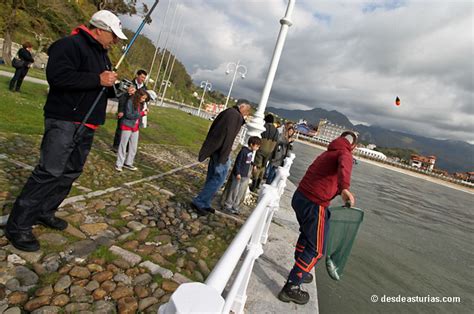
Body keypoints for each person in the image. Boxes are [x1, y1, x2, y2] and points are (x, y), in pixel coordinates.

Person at [5, 10, 127, 252]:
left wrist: (116, 88)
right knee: (49, 172)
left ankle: (45, 211)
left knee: (71, 171)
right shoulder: (69, 45)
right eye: (113, 36)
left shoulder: (102, 55)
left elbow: (101, 85)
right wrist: (98, 79)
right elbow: (58, 77)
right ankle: (17, 226)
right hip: (64, 120)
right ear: (100, 30)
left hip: (88, 123)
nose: (115, 41)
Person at [278, 131, 358, 305]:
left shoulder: (329, 152)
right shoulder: (345, 154)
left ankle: (301, 269)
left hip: (300, 197)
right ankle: (292, 286)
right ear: (353, 146)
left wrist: (339, 189)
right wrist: (345, 189)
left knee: (308, 235)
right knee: (317, 250)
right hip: (314, 204)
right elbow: (345, 165)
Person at [191, 99, 252, 216]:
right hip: (222, 152)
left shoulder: (228, 112)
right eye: (247, 111)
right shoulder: (235, 116)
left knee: (212, 176)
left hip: (215, 149)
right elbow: (229, 137)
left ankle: (205, 202)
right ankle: (199, 201)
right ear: (242, 107)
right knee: (219, 179)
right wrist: (224, 155)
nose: (247, 113)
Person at [222, 136, 261, 215]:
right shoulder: (243, 151)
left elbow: (249, 161)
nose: (257, 148)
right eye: (256, 146)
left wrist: (253, 165)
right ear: (251, 144)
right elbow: (238, 162)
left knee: (240, 192)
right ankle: (228, 205)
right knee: (234, 190)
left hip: (245, 175)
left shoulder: (250, 152)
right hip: (239, 175)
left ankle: (235, 206)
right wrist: (237, 173)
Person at [112, 69, 148, 151]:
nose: (143, 79)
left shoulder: (145, 88)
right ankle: (116, 146)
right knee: (120, 128)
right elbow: (122, 97)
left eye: (144, 78)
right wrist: (120, 110)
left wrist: (144, 108)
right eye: (142, 77)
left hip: (135, 111)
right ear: (137, 75)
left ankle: (127, 148)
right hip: (125, 109)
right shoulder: (129, 84)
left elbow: (145, 100)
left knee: (132, 129)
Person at [115, 88, 149, 172]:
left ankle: (128, 163)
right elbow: (128, 115)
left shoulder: (141, 104)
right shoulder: (130, 101)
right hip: (127, 125)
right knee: (123, 145)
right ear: (139, 96)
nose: (143, 100)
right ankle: (119, 164)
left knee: (133, 146)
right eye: (143, 98)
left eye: (144, 98)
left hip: (135, 127)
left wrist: (143, 114)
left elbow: (137, 115)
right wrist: (141, 114)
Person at [249, 114, 279, 192]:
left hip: (261, 148)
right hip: (270, 151)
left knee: (257, 166)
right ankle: (258, 184)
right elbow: (277, 144)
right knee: (263, 166)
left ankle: (254, 184)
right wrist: (273, 155)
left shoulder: (264, 126)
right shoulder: (276, 131)